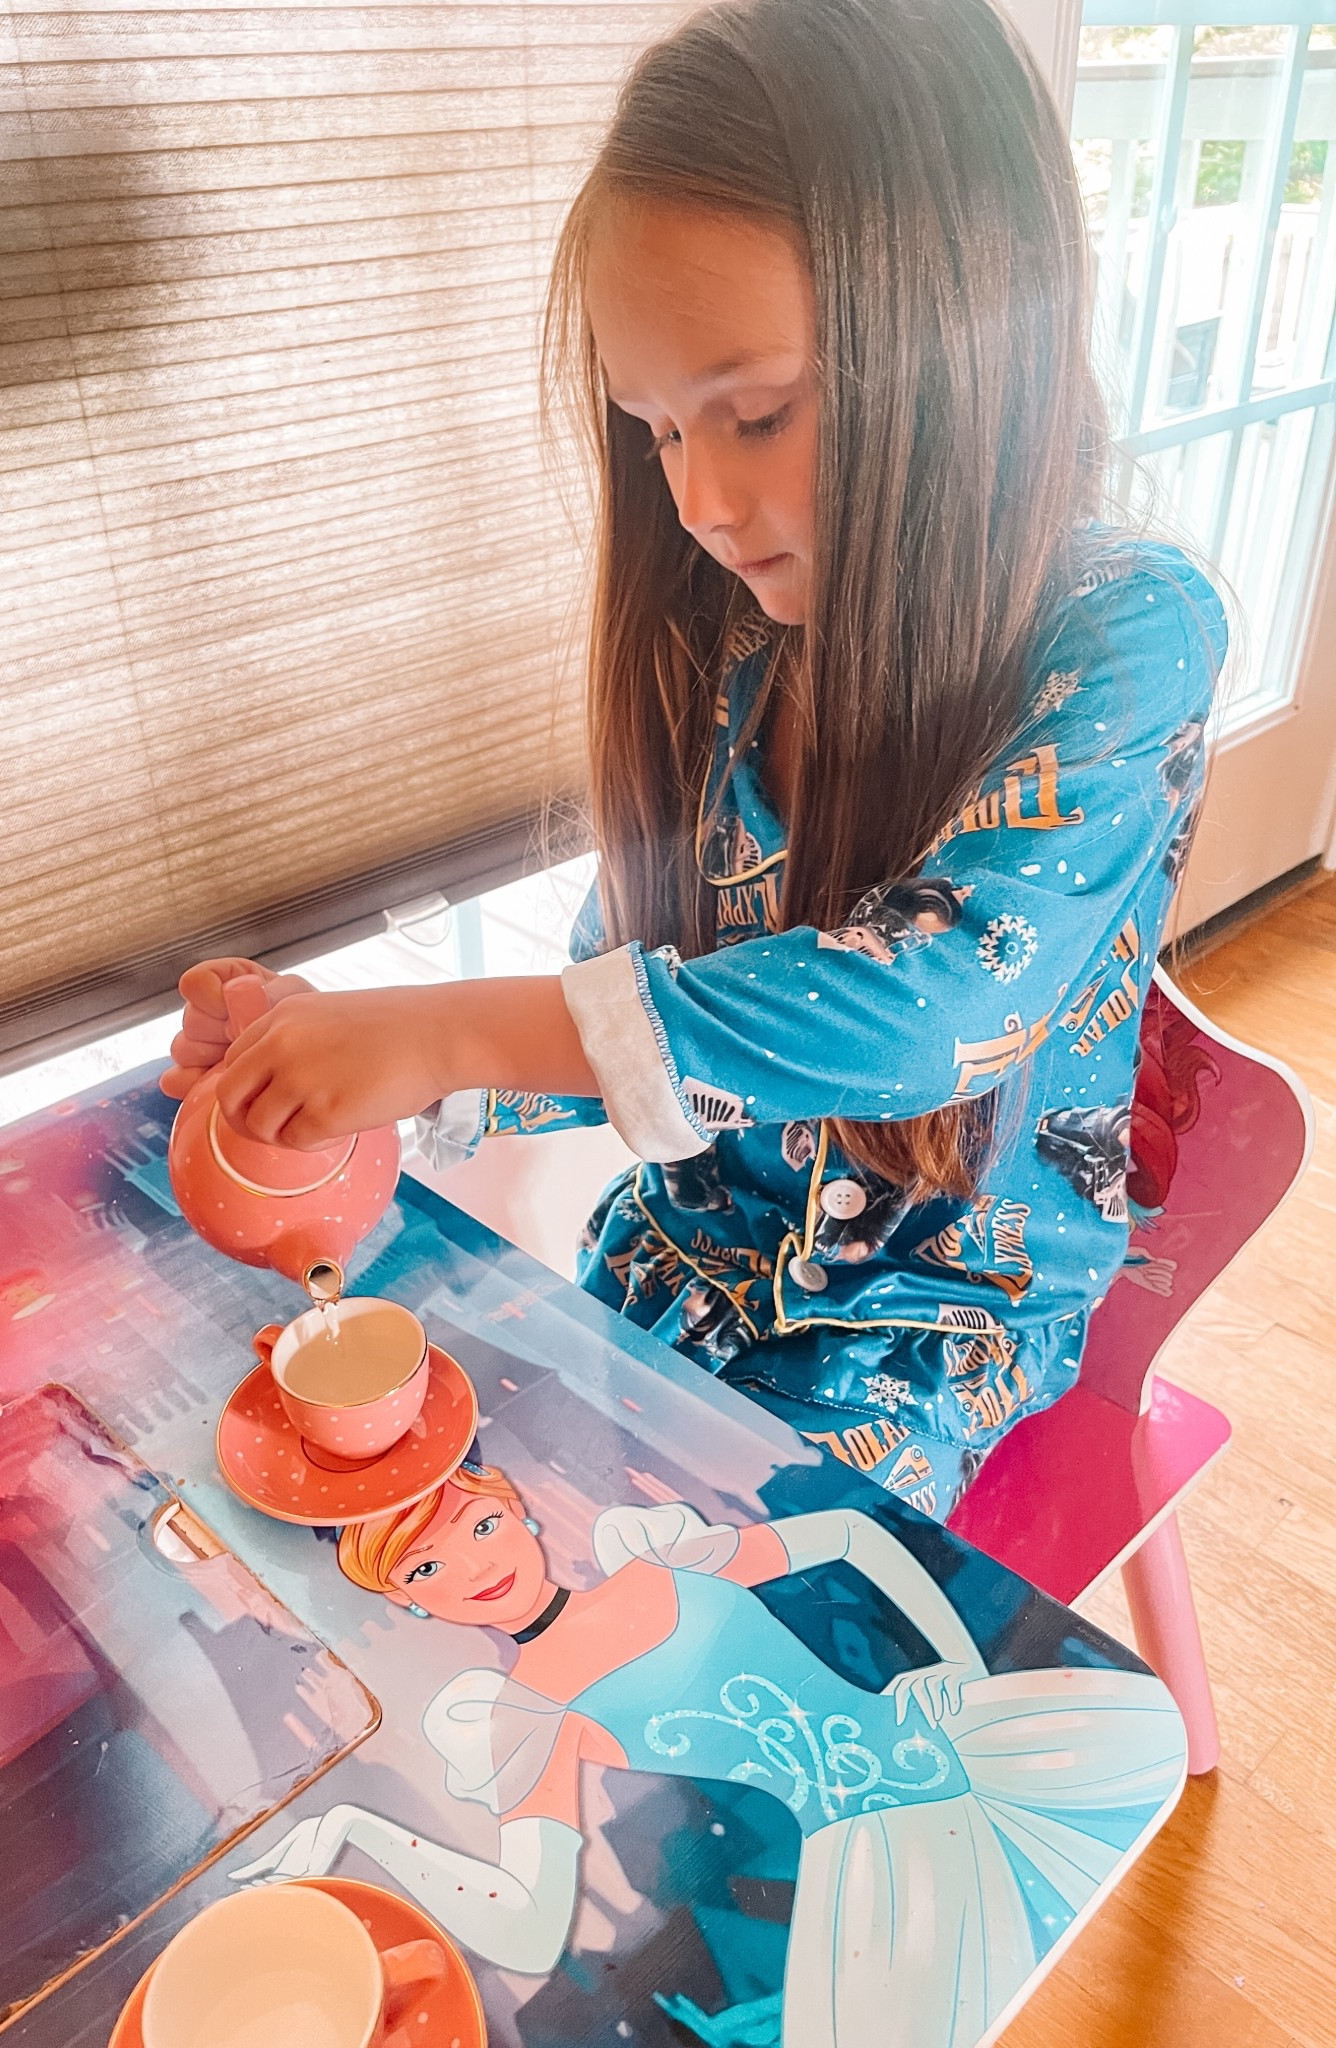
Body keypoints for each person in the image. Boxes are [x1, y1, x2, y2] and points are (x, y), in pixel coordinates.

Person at [160, 0, 1228, 1522]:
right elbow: (624, 980)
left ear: (971, 333)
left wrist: (458, 1031)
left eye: (761, 413)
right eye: (657, 431)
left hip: (921, 1336)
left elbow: (942, 1005)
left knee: (694, 1647)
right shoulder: (737, 650)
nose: (705, 503)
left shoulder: (1129, 632)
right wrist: (370, 1057)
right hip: (683, 1269)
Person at [228, 1463, 1186, 2046]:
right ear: (410, 1602)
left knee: (1140, 1763)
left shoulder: (660, 1563)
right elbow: (526, 1928)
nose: (475, 1566)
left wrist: (958, 1670)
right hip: (875, 1856)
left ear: (516, 1510)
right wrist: (360, 1829)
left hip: (958, 1733)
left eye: (481, 1525)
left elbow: (851, 1537)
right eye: (426, 1568)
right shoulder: (530, 1718)